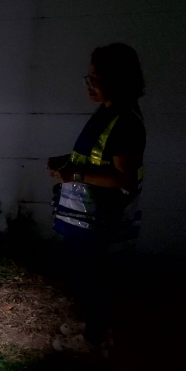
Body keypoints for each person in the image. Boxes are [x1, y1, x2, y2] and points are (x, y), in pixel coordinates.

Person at [47, 43, 146, 353]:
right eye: (88, 78)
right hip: (86, 217)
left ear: (119, 80)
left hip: (101, 218)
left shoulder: (125, 121)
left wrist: (75, 174)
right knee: (83, 273)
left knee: (92, 277)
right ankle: (93, 325)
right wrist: (67, 161)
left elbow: (124, 177)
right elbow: (95, 157)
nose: (89, 85)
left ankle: (95, 338)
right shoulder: (107, 112)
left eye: (96, 79)